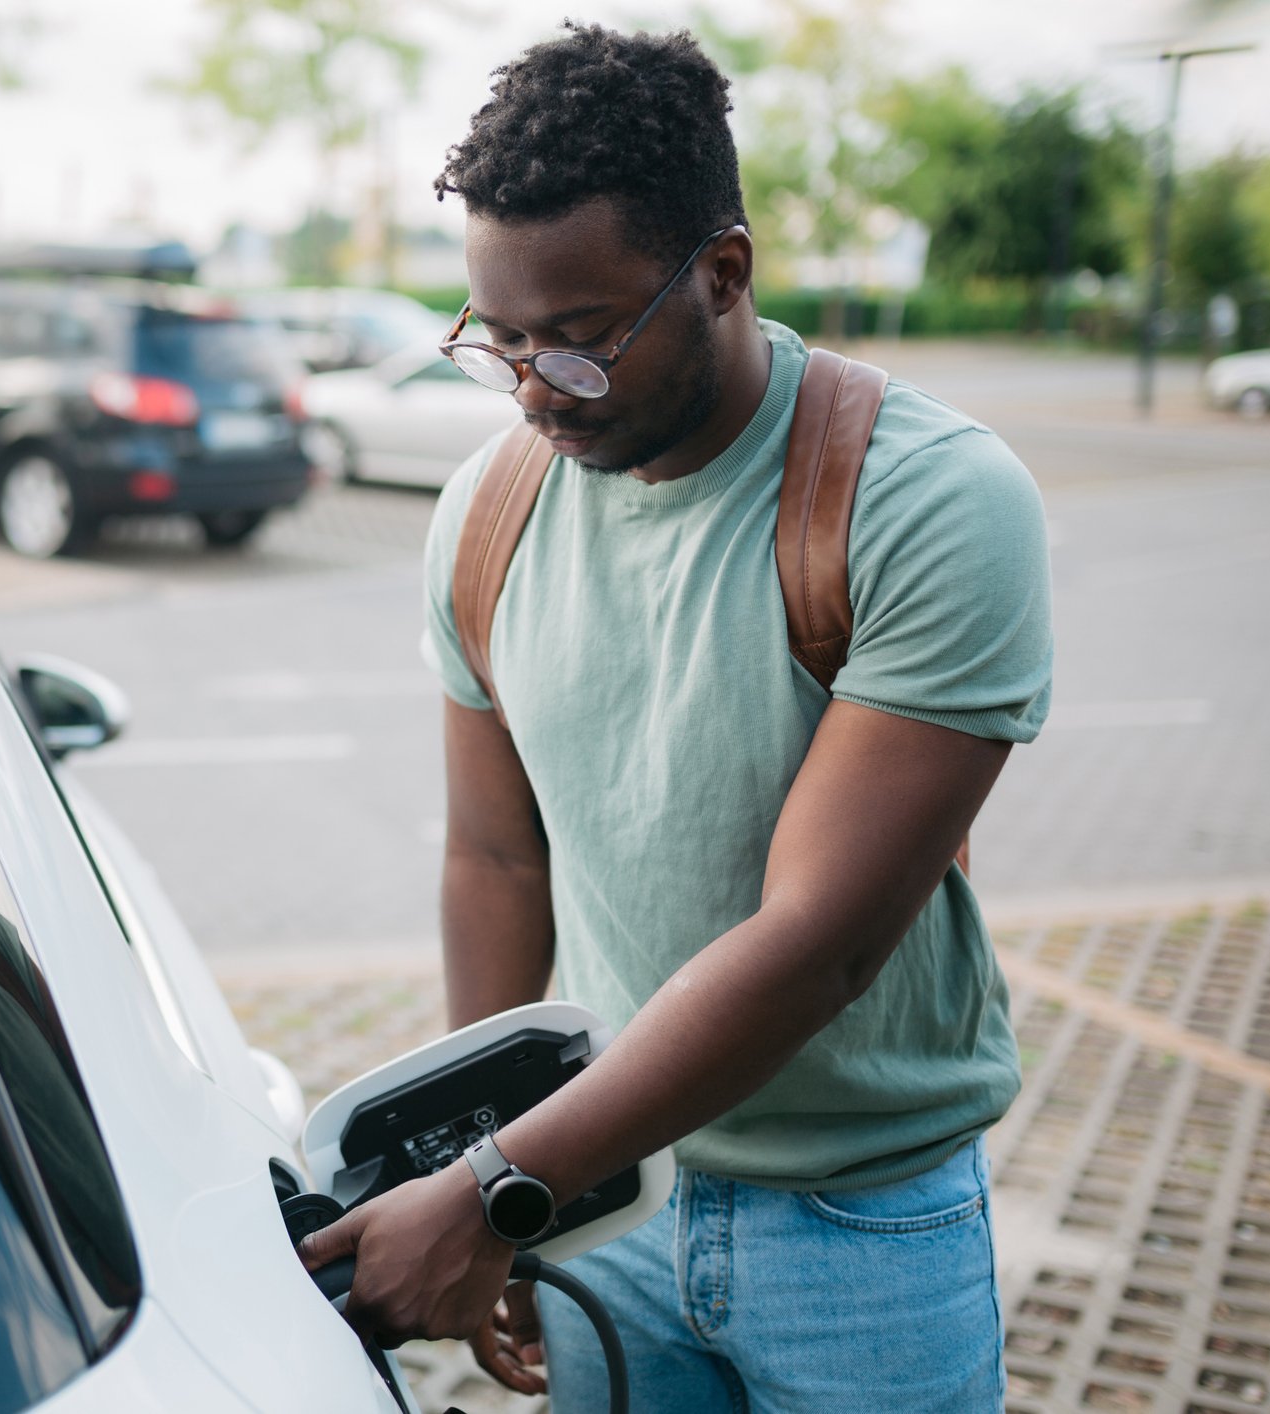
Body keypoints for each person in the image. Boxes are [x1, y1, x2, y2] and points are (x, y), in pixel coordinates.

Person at [295, 23, 1052, 1412]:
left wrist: (495, 1186)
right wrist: (510, 1175)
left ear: (721, 272)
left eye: (579, 344)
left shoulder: (926, 502)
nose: (532, 390)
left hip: (858, 1225)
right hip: (611, 1205)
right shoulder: (487, 512)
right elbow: (496, 861)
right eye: (498, 340)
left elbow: (813, 943)